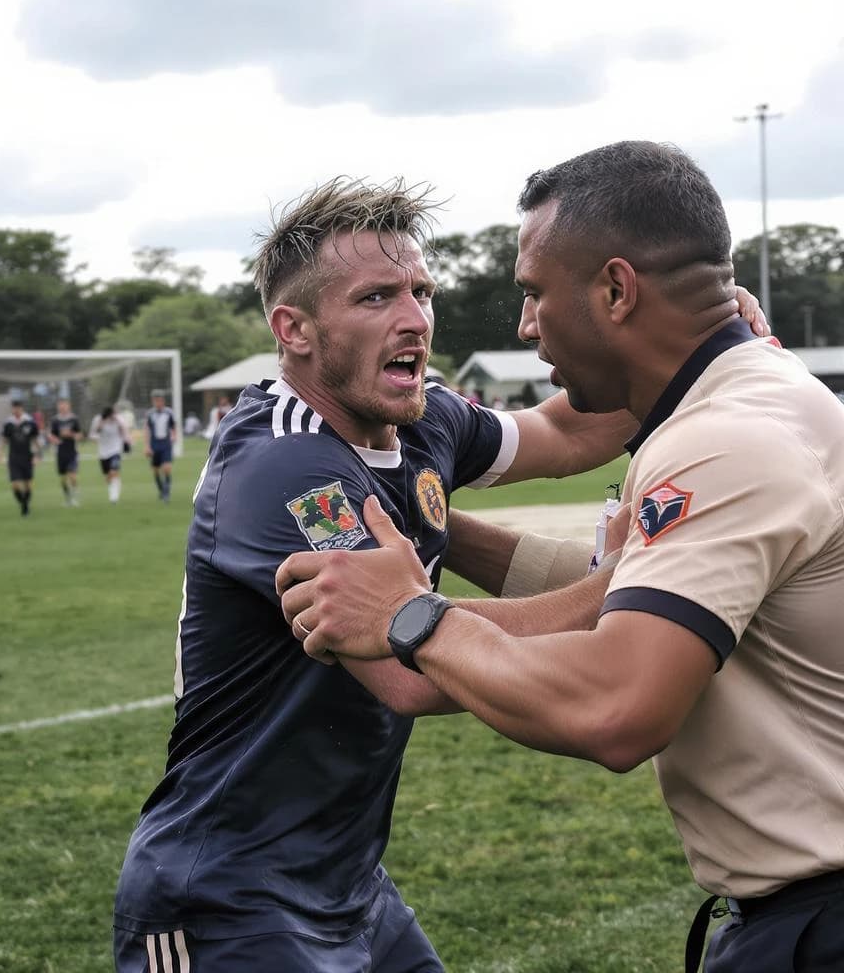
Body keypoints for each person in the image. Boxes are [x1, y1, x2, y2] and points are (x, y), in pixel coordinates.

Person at [277, 143, 844, 973]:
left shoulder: (724, 440)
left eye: (536, 293)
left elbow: (618, 707)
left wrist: (409, 615)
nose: (526, 325)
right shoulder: (760, 395)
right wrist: (432, 527)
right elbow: (624, 590)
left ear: (616, 290)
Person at [112, 176, 640, 973]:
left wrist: (693, 346)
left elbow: (566, 431)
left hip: (348, 881)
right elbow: (414, 672)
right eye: (376, 297)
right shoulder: (286, 464)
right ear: (293, 329)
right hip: (228, 896)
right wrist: (627, 584)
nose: (415, 318)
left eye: (421, 290)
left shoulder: (421, 416)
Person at [0, 398, 40, 516]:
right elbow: (3, 440)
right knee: (14, 483)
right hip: (14, 457)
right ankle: (24, 504)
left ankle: (25, 506)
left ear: (21, 408)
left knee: (28, 484)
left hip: (27, 457)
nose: (15, 410)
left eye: (17, 408)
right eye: (13, 408)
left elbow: (35, 440)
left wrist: (37, 456)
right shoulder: (8, 423)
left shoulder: (30, 422)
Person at [90, 404, 130, 504]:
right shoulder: (98, 419)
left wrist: (127, 443)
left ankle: (114, 498)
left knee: (113, 472)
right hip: (103, 452)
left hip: (116, 450)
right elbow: (92, 435)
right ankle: (115, 485)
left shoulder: (119, 419)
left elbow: (125, 431)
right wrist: (102, 423)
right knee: (108, 477)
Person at [143, 390, 177, 502]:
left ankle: (166, 493)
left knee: (167, 468)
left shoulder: (169, 413)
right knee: (156, 470)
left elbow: (173, 427)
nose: (157, 402)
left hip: (165, 443)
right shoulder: (150, 414)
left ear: (163, 401)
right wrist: (147, 446)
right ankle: (161, 489)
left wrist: (174, 436)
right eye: (155, 400)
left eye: (159, 400)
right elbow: (147, 430)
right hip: (154, 444)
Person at [48, 397, 82, 506]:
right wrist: (54, 439)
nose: (62, 407)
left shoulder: (74, 419)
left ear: (68, 406)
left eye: (64, 404)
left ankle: (75, 496)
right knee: (63, 478)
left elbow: (80, 435)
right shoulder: (55, 420)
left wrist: (71, 435)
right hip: (60, 452)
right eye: (60, 405)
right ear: (58, 406)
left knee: (72, 475)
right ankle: (68, 498)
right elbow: (51, 435)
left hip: (72, 451)